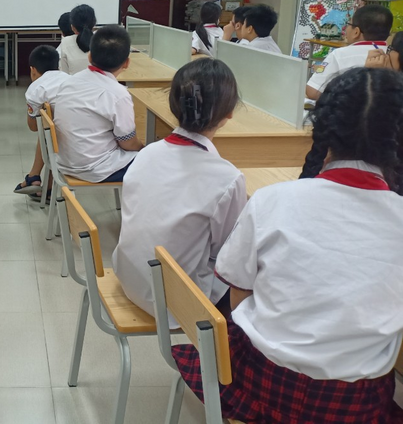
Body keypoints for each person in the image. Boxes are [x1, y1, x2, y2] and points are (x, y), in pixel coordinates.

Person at [173, 67, 403, 423]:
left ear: (323, 128)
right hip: (351, 403)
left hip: (261, 381)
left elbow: (237, 297)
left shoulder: (271, 200)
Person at [112, 58, 245, 320]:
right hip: (175, 304)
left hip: (129, 279)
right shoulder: (228, 178)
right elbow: (227, 254)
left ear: (173, 105)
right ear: (229, 113)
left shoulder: (147, 154)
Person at [54, 25, 143, 183]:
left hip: (65, 161)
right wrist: (144, 149)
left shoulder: (69, 82)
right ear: (127, 63)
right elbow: (128, 143)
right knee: (160, 162)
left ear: (89, 56)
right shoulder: (118, 94)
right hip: (96, 168)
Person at [13, 45, 69, 196]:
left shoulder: (36, 88)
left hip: (68, 152)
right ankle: (43, 183)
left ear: (32, 70)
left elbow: (33, 126)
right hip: (88, 139)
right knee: (50, 130)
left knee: (47, 129)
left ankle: (34, 178)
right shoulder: (72, 79)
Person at [307, 4, 394, 100]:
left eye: (348, 24)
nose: (346, 29)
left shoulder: (339, 55)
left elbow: (312, 91)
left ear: (356, 32)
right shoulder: (394, 55)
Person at [58, 4, 96, 75]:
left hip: (72, 85)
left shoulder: (66, 42)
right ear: (94, 24)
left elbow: (64, 74)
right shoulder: (102, 41)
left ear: (72, 27)